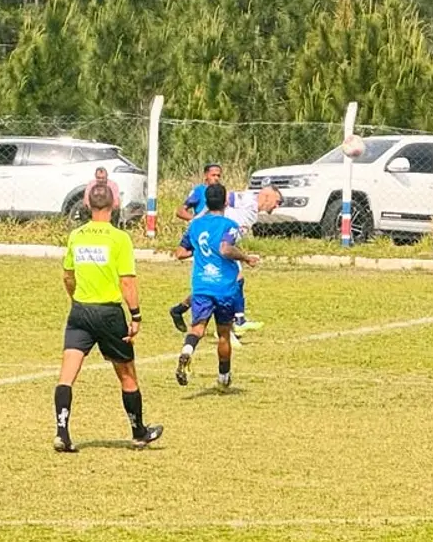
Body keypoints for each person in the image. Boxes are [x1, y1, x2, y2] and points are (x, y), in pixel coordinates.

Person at [54, 182, 163, 453]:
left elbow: (68, 276)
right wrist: (136, 315)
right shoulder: (119, 239)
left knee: (67, 375)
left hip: (80, 311)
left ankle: (62, 433)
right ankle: (139, 432)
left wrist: (76, 298)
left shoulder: (76, 236)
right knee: (127, 374)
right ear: (115, 205)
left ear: (88, 205)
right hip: (109, 313)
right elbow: (127, 283)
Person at [173, 182, 260, 390]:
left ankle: (187, 350)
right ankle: (224, 377)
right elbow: (225, 249)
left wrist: (201, 252)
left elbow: (180, 253)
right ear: (224, 202)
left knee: (198, 328)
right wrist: (246, 257)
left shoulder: (195, 225)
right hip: (224, 287)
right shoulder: (229, 225)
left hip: (202, 285)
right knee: (223, 333)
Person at [169, 185, 282, 340]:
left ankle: (180, 309)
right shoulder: (248, 200)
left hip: (223, 243)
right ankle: (235, 323)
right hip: (219, 241)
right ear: (268, 196)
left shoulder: (253, 212)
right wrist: (199, 219)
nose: (277, 206)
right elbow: (226, 197)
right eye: (278, 201)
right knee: (236, 279)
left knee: (213, 284)